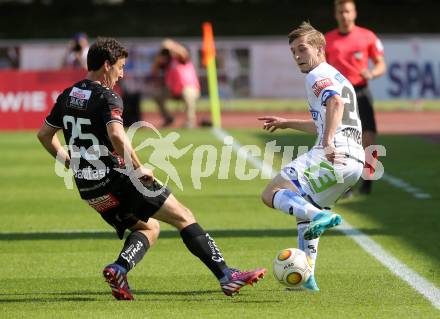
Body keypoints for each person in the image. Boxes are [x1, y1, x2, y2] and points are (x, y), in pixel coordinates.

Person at [37, 37, 265, 301]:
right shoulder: (107, 96)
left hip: (88, 186)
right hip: (118, 178)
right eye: (120, 67)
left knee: (148, 228)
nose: (121, 74)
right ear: (106, 65)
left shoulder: (67, 95)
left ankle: (119, 269)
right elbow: (118, 137)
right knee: (183, 215)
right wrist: (138, 167)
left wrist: (68, 161)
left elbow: (44, 135)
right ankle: (227, 276)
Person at [259, 22, 364, 291]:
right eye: (293, 51)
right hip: (354, 161)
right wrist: (286, 123)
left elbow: (335, 104)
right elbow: (327, 117)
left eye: (302, 49)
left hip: (333, 153)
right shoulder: (338, 77)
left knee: (272, 192)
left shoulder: (316, 75)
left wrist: (327, 143)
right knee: (304, 214)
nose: (297, 56)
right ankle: (308, 279)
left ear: (319, 48)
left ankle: (318, 215)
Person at [325, 0, 386, 194]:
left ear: (354, 13)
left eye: (347, 11)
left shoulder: (367, 36)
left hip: (360, 92)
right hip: (339, 96)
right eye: (340, 11)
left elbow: (380, 64)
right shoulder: (328, 39)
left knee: (368, 137)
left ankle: (368, 180)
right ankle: (346, 184)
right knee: (341, 140)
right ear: (336, 14)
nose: (344, 15)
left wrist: (373, 73)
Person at [151, 39, 200, 128]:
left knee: (188, 93)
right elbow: (154, 71)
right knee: (157, 95)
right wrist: (159, 55)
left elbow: (184, 53)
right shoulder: (166, 62)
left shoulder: (181, 59)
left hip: (188, 88)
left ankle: (190, 121)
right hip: (172, 90)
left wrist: (171, 46)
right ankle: (168, 119)